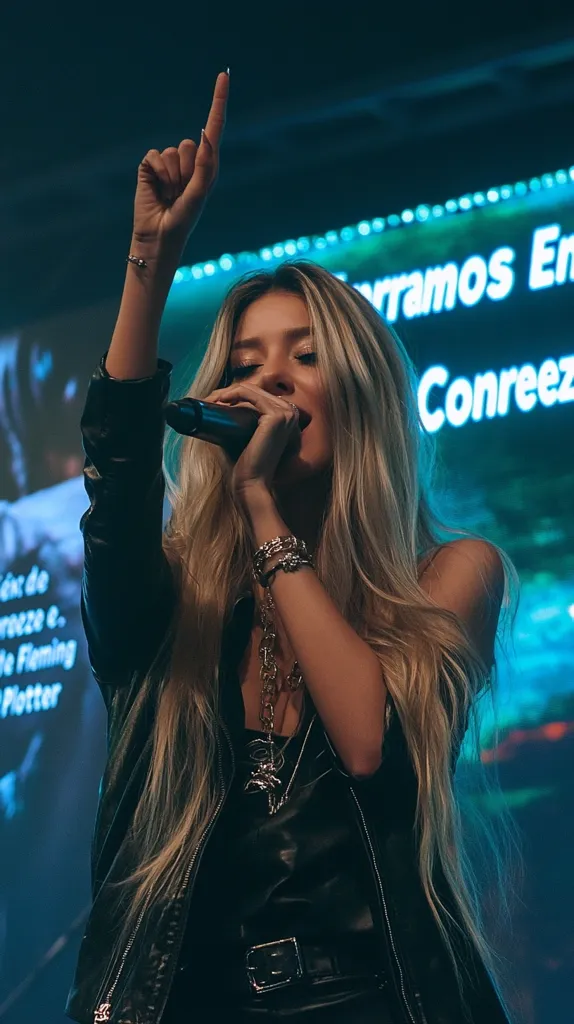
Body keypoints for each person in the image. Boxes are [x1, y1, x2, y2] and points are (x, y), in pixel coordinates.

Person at [66, 71, 519, 1023]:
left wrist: (263, 509)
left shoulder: (454, 573)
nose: (270, 376)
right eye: (246, 361)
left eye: (304, 355)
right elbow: (113, 499)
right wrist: (151, 257)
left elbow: (372, 748)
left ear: (357, 391)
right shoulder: (183, 601)